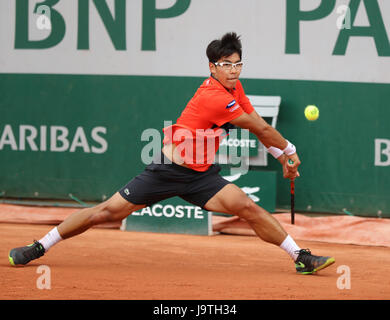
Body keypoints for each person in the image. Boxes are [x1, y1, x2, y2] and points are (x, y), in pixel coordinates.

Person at [9, 32, 335, 275]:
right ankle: (40, 245)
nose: (234, 70)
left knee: (247, 207)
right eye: (226, 65)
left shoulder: (235, 89)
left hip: (202, 176)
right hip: (167, 170)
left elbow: (257, 127)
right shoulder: (213, 96)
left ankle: (300, 257)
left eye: (238, 64)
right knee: (105, 213)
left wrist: (281, 158)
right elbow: (261, 128)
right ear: (212, 67)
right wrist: (289, 151)